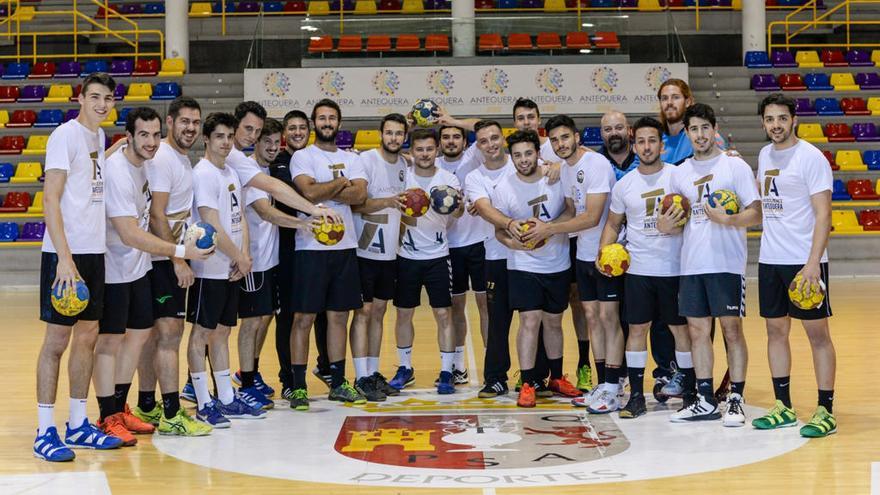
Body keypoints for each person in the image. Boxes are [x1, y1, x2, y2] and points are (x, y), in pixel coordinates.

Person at [94, 107, 215, 446]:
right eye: (142, 135)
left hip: (138, 267)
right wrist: (179, 255)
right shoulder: (123, 170)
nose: (150, 141)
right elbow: (133, 232)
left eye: (153, 134)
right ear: (129, 136)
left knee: (138, 337)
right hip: (115, 268)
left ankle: (123, 408)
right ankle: (110, 416)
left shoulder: (148, 161)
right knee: (111, 344)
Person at [35, 73, 125, 461]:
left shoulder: (98, 138)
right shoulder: (64, 135)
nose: (102, 104)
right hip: (64, 255)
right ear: (80, 98)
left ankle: (77, 423)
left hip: (94, 253)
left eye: (107, 98)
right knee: (56, 343)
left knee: (87, 338)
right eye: (95, 97)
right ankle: (44, 431)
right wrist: (65, 260)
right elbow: (50, 200)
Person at [661, 103, 762, 426]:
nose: (700, 134)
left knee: (732, 330)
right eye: (694, 129)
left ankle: (735, 398)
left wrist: (728, 219)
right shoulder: (679, 173)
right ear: (687, 133)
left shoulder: (735, 167)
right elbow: (671, 221)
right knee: (697, 332)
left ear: (714, 129)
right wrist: (666, 224)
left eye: (706, 127)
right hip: (691, 264)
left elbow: (756, 212)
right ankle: (704, 399)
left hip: (726, 263)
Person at [595, 116, 694, 419]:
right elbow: (613, 224)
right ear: (634, 144)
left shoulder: (679, 176)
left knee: (680, 331)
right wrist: (603, 253)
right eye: (641, 141)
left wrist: (675, 225)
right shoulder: (625, 185)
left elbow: (693, 215)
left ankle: (690, 394)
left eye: (653, 141)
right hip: (638, 270)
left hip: (674, 268)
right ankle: (636, 396)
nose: (647, 146)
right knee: (637, 329)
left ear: (662, 146)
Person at [751, 93, 837, 438]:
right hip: (770, 260)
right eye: (770, 119)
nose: (776, 125)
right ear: (763, 123)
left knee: (818, 336)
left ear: (794, 119)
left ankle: (825, 410)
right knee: (775, 332)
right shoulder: (763, 154)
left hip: (805, 264)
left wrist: (813, 263)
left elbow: (824, 213)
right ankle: (783, 406)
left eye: (782, 118)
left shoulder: (811, 158)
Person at [537, 115, 623, 412]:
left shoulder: (595, 164)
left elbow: (592, 217)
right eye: (555, 140)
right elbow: (572, 211)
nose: (560, 144)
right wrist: (540, 227)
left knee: (609, 318)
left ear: (576, 136)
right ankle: (602, 385)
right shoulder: (566, 171)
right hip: (584, 253)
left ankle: (615, 385)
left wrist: (548, 230)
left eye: (564, 137)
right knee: (592, 317)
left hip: (607, 253)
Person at [187, 112, 266, 428]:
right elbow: (211, 222)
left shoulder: (231, 171)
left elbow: (239, 217)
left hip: (232, 265)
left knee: (222, 332)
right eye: (219, 136)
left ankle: (227, 398)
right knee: (201, 333)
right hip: (209, 267)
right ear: (206, 139)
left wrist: (243, 254)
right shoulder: (203, 173)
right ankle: (204, 402)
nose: (225, 142)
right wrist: (238, 256)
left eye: (229, 137)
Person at [289, 99, 368, 410]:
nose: (326, 122)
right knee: (303, 318)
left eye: (331, 118)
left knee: (339, 316)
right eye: (321, 118)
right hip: (310, 247)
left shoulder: (354, 158)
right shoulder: (302, 156)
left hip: (345, 246)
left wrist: (327, 188)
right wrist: (340, 183)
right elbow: (307, 193)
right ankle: (297, 387)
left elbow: (360, 195)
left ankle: (338, 382)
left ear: (339, 123)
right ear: (313, 123)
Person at [237, 118, 319, 409]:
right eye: (266, 142)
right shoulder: (249, 171)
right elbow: (266, 213)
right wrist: (305, 222)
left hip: (268, 260)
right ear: (256, 142)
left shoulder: (266, 170)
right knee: (250, 322)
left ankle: (250, 375)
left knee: (263, 317)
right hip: (252, 260)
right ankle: (245, 381)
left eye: (276, 143)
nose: (272, 148)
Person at [490, 130, 576, 407]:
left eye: (528, 153)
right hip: (523, 265)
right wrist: (513, 245)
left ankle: (556, 377)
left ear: (537, 154)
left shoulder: (556, 177)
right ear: (510, 157)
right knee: (529, 321)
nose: (523, 159)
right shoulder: (504, 188)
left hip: (558, 262)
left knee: (553, 322)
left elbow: (571, 212)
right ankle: (527, 383)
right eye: (517, 155)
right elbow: (498, 232)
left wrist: (549, 231)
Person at [136, 97, 206, 434]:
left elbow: (178, 215)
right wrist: (177, 259)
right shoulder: (164, 158)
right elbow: (157, 214)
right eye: (185, 122)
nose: (191, 128)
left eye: (195, 122)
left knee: (153, 336)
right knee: (169, 335)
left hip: (159, 257)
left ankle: (147, 405)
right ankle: (172, 414)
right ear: (170, 122)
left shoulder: (180, 159)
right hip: (161, 260)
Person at [390, 129, 463, 394]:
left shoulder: (448, 179)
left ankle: (446, 371)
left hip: (438, 257)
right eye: (419, 149)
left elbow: (460, 211)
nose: (424, 154)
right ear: (412, 151)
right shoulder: (402, 178)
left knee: (444, 314)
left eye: (429, 149)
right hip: (406, 256)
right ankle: (404, 367)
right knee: (403, 314)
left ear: (437, 151)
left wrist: (456, 204)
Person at [269, 110, 331, 399]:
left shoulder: (316, 159)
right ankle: (289, 380)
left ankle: (327, 366)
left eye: (301, 127)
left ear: (309, 130)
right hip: (289, 248)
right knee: (291, 316)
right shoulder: (279, 163)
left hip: (318, 247)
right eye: (291, 128)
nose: (297, 132)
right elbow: (308, 194)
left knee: (322, 312)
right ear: (285, 133)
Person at [350, 113, 409, 400]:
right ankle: (360, 375)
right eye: (389, 133)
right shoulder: (366, 161)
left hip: (389, 252)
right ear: (381, 134)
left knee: (380, 313)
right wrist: (388, 201)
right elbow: (356, 205)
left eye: (399, 133)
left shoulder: (403, 165)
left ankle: (372, 373)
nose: (394, 138)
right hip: (365, 249)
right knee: (363, 313)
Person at [436, 124, 489, 385]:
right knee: (456, 307)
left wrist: (449, 117)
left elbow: (483, 126)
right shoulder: (432, 165)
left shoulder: (474, 156)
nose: (451, 141)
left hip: (481, 243)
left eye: (456, 136)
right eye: (445, 137)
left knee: (485, 306)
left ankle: (492, 365)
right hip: (450, 245)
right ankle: (457, 366)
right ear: (439, 142)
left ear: (464, 141)